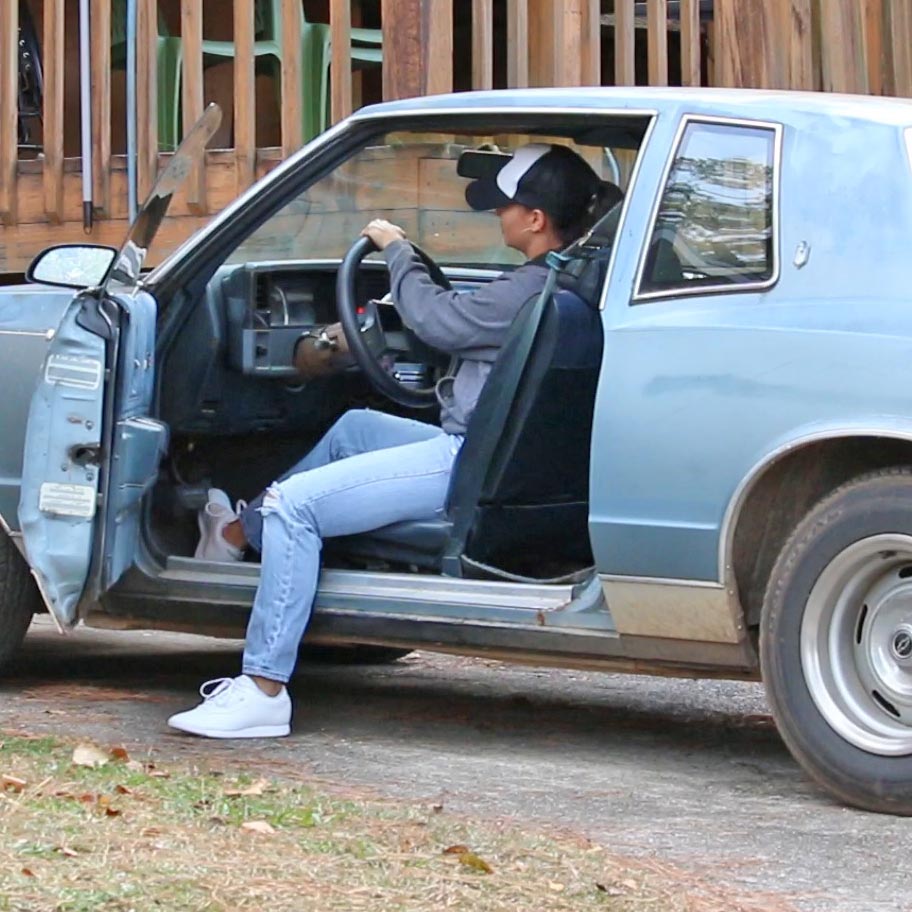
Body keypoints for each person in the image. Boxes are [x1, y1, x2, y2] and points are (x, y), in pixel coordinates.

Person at [167, 143, 622, 739]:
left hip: (468, 463)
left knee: (293, 507)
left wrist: (399, 252)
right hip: (497, 451)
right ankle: (229, 535)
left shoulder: (527, 292)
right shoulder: (570, 280)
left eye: (505, 206)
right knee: (353, 429)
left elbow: (438, 322)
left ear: (535, 220)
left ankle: (262, 689)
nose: (497, 215)